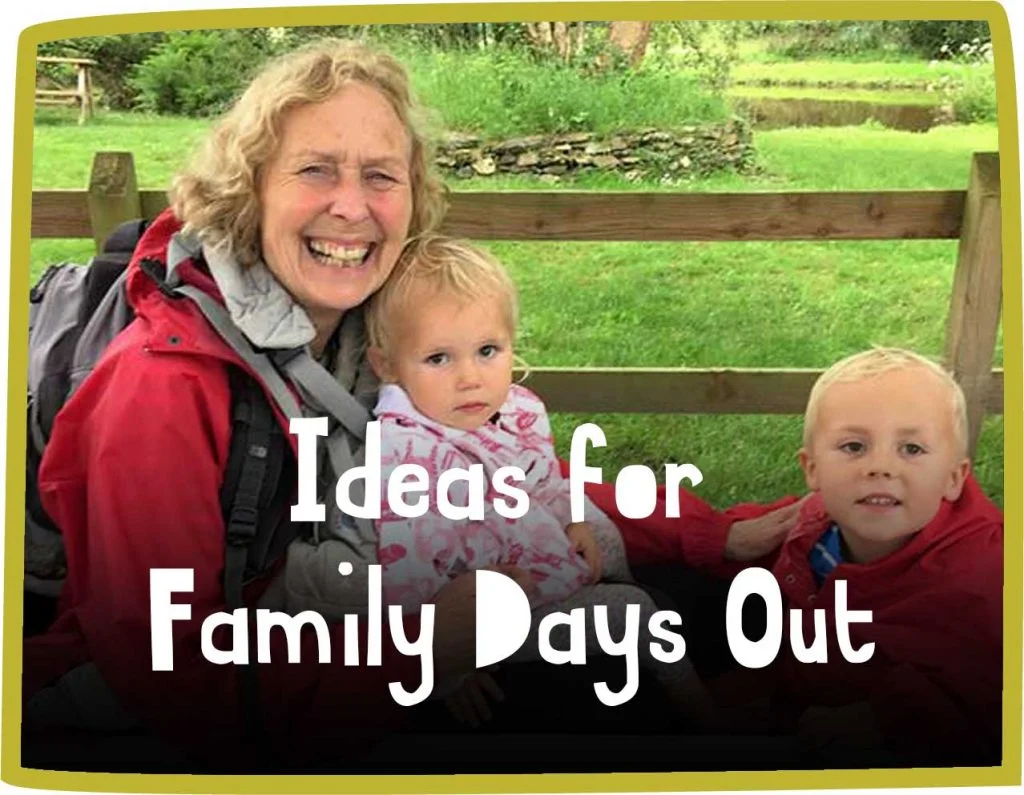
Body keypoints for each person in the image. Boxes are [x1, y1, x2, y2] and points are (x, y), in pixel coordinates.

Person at [21, 37, 802, 774]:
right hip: (257, 712)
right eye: (315, 171)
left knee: (707, 606)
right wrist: (429, 646)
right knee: (621, 695)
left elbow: (497, 462)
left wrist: (710, 534)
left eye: (381, 176)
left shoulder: (366, 322)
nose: (351, 207)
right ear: (249, 189)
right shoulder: (161, 387)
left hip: (380, 633)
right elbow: (174, 685)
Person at [364, 234, 718, 727]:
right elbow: (404, 570)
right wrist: (443, 665)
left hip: (535, 553)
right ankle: (709, 722)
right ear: (386, 365)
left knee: (600, 529)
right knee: (635, 613)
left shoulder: (514, 409)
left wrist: (572, 520)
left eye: (487, 350)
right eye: (439, 359)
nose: (470, 377)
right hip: (489, 619)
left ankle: (624, 592)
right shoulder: (406, 453)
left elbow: (545, 477)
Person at [704, 348, 1004, 767]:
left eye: (912, 448)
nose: (880, 467)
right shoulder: (814, 526)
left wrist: (889, 721)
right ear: (812, 469)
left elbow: (994, 708)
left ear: (954, 478)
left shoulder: (989, 581)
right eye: (854, 446)